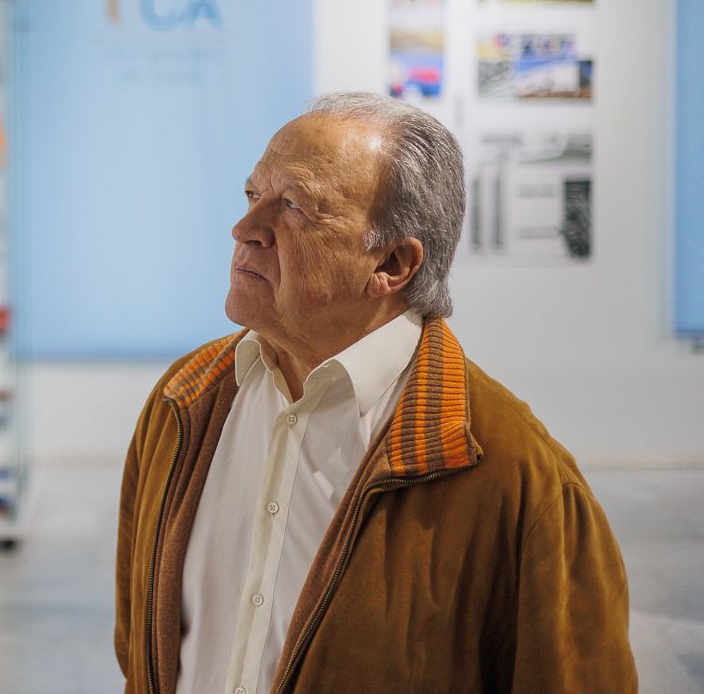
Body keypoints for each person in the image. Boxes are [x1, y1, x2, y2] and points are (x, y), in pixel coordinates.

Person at [114, 92, 635, 694]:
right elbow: (142, 653)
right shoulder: (185, 404)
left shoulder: (517, 479)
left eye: (294, 207)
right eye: (254, 196)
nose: (245, 229)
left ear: (391, 262)